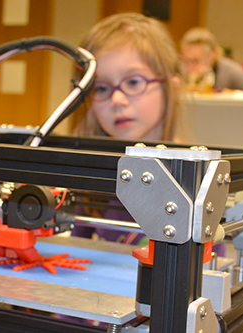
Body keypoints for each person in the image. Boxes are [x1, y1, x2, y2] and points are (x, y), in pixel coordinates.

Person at [70, 12, 183, 246]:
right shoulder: (91, 175)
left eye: (133, 82)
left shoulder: (195, 179)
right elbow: (75, 252)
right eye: (101, 88)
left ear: (172, 88)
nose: (117, 100)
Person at [180, 27, 243, 93]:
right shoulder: (180, 74)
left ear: (212, 56)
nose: (188, 67)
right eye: (186, 61)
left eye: (195, 61)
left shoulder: (234, 75)